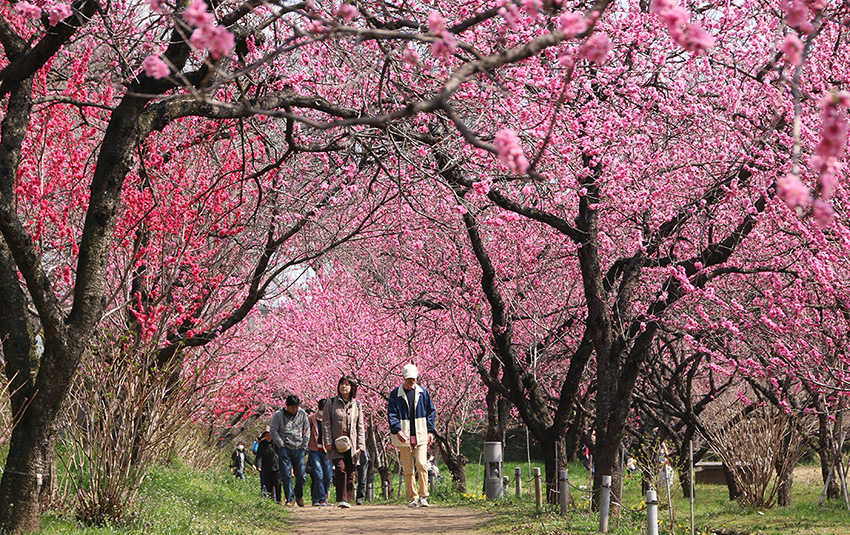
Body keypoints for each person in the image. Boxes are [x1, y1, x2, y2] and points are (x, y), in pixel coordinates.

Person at [387, 363, 436, 508]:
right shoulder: (395, 394)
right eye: (408, 379)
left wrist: (430, 431)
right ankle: (412, 497)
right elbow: (392, 413)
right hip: (404, 435)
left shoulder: (423, 392)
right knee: (408, 468)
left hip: (420, 434)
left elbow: (430, 412)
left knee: (422, 464)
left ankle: (423, 496)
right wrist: (397, 430)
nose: (411, 381)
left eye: (413, 378)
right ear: (403, 377)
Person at [323, 375, 366, 509]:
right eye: (342, 384)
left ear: (352, 387)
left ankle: (347, 498)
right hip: (336, 443)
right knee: (340, 469)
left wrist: (361, 445)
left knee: (350, 470)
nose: (344, 386)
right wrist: (328, 441)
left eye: (347, 384)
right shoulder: (331, 403)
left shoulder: (357, 405)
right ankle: (341, 499)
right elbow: (326, 423)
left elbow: (360, 426)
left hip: (352, 444)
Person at [270, 394, 309, 506]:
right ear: (287, 406)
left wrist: (304, 445)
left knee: (301, 474)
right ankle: (290, 499)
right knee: (286, 474)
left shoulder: (302, 414)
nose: (294, 409)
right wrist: (280, 444)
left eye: (296, 407)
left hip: (299, 447)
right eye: (292, 407)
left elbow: (307, 430)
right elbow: (273, 430)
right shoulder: (278, 415)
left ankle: (299, 494)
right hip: (285, 448)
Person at [308, 398, 333, 506]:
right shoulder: (311, 419)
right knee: (318, 474)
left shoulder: (330, 419)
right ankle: (322, 499)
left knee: (328, 475)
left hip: (327, 450)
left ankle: (316, 499)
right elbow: (306, 432)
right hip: (314, 450)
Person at [255, 430, 282, 502]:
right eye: (266, 435)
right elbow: (259, 456)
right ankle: (271, 500)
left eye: (270, 435)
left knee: (278, 484)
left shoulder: (277, 443)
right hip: (266, 467)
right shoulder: (262, 444)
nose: (268, 437)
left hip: (277, 466)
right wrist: (259, 465)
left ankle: (279, 500)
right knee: (268, 485)